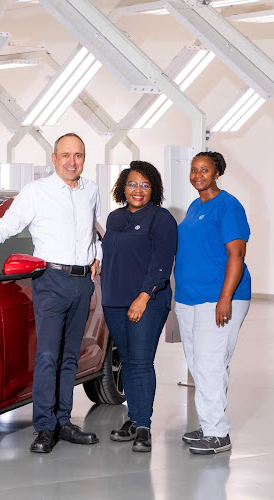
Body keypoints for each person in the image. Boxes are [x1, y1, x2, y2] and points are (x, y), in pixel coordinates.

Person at [0, 132, 102, 453]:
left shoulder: (91, 191)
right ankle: (44, 427)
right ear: (53, 159)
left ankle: (64, 421)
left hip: (82, 283)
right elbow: (6, 226)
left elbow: (93, 228)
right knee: (48, 355)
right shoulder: (36, 193)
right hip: (51, 281)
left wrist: (97, 256)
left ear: (84, 159)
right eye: (65, 155)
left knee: (70, 357)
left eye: (78, 155)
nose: (72, 161)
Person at [175, 151, 251, 455]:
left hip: (217, 298)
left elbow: (237, 254)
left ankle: (218, 433)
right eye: (194, 170)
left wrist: (225, 299)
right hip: (189, 298)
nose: (197, 175)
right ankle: (209, 423)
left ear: (217, 172)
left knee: (210, 363)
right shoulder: (195, 206)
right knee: (198, 363)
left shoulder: (228, 206)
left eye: (204, 170)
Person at [101, 161, 177, 452]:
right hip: (114, 302)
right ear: (123, 186)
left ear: (153, 189)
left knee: (142, 362)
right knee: (129, 362)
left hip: (147, 302)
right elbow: (111, 255)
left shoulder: (161, 219)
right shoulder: (114, 218)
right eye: (133, 184)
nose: (138, 190)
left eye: (145, 185)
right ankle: (133, 419)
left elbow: (161, 263)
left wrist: (143, 296)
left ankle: (143, 426)